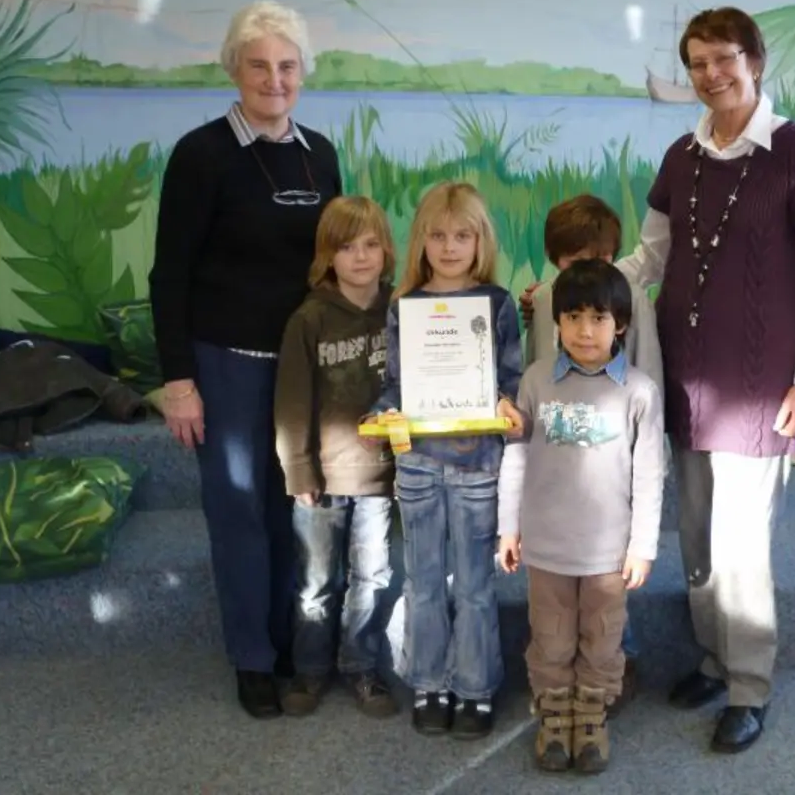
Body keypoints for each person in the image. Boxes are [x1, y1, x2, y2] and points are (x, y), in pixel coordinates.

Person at [622, 7, 795, 753]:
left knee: (742, 546)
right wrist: (580, 287)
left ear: (755, 59)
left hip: (758, 388)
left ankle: (750, 687)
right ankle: (715, 663)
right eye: (698, 63)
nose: (711, 75)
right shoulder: (681, 157)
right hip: (687, 379)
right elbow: (648, 259)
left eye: (724, 59)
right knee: (694, 537)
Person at [148, 0, 343, 719]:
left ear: (303, 72)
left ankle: (289, 641)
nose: (274, 78)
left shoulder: (319, 153)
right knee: (237, 515)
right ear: (234, 69)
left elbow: (338, 261)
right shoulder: (201, 156)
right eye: (258, 65)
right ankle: (252, 658)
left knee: (291, 506)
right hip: (225, 363)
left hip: (301, 367)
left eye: (287, 65)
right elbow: (168, 276)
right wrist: (178, 381)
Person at [368, 181, 525, 739]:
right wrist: (385, 414)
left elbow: (509, 381)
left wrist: (510, 407)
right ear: (422, 241)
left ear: (480, 240)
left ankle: (475, 687)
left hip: (478, 465)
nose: (450, 246)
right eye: (438, 235)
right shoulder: (404, 307)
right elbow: (393, 385)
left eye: (463, 235)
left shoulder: (498, 303)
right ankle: (429, 681)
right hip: (417, 467)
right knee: (425, 580)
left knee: (476, 586)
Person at [499, 259, 665, 774]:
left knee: (602, 635)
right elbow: (517, 455)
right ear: (557, 323)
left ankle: (590, 718)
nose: (585, 330)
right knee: (549, 635)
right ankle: (554, 716)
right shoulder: (536, 381)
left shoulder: (639, 392)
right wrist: (509, 527)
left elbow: (649, 474)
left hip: (608, 554)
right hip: (548, 546)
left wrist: (643, 546)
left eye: (598, 318)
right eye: (573, 317)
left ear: (621, 324)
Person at [521, 193, 661, 712]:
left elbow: (647, 369)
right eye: (574, 261)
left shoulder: (632, 301)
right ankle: (559, 684)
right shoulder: (549, 298)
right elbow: (540, 363)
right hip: (560, 455)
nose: (587, 272)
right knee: (563, 586)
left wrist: (646, 432)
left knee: (613, 570)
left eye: (598, 260)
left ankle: (613, 668)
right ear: (557, 261)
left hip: (615, 449)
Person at [273, 196, 399, 719]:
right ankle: (310, 670)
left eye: (371, 245)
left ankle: (361, 667)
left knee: (372, 579)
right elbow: (292, 403)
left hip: (382, 478)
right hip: (323, 479)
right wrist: (298, 469)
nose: (361, 257)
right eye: (347, 247)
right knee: (316, 584)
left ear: (386, 250)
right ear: (328, 255)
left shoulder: (400, 310)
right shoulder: (309, 319)